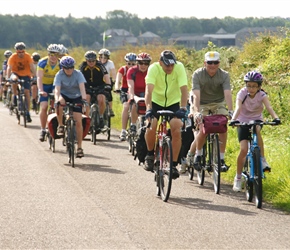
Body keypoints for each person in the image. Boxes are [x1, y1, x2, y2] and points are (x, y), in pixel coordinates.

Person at [230, 71, 281, 192]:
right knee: (243, 149)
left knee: (257, 130)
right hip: (242, 121)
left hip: (256, 119)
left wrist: (276, 117)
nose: (251, 89)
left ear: (259, 86)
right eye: (249, 85)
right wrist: (234, 120)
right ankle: (238, 178)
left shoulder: (262, 95)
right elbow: (238, 107)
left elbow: (269, 107)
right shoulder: (242, 93)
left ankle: (262, 159)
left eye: (254, 86)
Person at [144, 50, 188, 179]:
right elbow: (149, 90)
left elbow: (184, 89)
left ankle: (173, 164)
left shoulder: (179, 67)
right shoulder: (153, 68)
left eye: (172, 65)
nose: (170, 68)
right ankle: (149, 155)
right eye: (167, 65)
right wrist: (148, 108)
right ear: (160, 63)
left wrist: (183, 108)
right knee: (152, 125)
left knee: (176, 128)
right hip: (155, 102)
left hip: (173, 102)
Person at [190, 51, 233, 172]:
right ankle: (198, 155)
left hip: (218, 103)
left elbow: (227, 94)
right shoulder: (198, 74)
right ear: (205, 63)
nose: (212, 65)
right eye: (209, 62)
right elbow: (196, 95)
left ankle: (221, 158)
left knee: (223, 125)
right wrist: (197, 111)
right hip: (202, 103)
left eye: (215, 62)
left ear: (219, 63)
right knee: (203, 127)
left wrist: (230, 111)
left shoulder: (224, 75)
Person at [54, 56, 87, 158]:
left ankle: (80, 147)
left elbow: (82, 88)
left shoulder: (78, 74)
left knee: (78, 121)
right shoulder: (59, 74)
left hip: (76, 97)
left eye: (71, 67)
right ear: (62, 68)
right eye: (66, 68)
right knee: (59, 105)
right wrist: (58, 98)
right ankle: (61, 125)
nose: (69, 70)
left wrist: (84, 100)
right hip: (64, 96)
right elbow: (57, 89)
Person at [79, 50, 111, 128]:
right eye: (89, 61)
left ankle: (100, 117)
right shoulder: (83, 66)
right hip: (87, 86)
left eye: (93, 61)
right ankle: (86, 119)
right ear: (86, 60)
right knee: (86, 98)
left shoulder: (100, 65)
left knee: (101, 99)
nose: (91, 63)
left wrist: (108, 85)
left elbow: (106, 76)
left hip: (99, 85)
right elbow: (78, 77)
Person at [37, 44, 62, 141]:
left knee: (58, 104)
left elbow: (62, 79)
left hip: (54, 85)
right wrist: (41, 90)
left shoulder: (60, 64)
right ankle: (43, 129)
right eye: (51, 54)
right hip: (44, 85)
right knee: (43, 107)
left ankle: (60, 125)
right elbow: (39, 77)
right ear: (48, 54)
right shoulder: (42, 63)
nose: (53, 57)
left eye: (56, 55)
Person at [7, 42, 36, 122]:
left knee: (27, 92)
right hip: (15, 73)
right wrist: (8, 77)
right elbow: (9, 67)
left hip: (26, 75)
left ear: (24, 50)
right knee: (14, 79)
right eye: (19, 52)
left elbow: (32, 66)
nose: (21, 54)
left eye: (22, 51)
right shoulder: (13, 57)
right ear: (16, 51)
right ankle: (15, 95)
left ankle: (27, 112)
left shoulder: (27, 56)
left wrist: (35, 76)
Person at [127, 52, 151, 134]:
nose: (143, 65)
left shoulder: (151, 71)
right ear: (137, 63)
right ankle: (133, 124)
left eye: (146, 63)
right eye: (141, 63)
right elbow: (130, 86)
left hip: (147, 93)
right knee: (134, 104)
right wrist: (132, 97)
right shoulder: (132, 71)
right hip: (135, 92)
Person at [115, 52, 137, 141]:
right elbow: (117, 80)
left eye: (133, 64)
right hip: (124, 90)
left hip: (135, 91)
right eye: (129, 63)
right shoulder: (123, 69)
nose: (131, 66)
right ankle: (123, 130)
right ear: (126, 63)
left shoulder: (137, 70)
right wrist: (117, 88)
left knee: (137, 108)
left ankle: (135, 125)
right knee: (126, 106)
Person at [98, 48, 116, 117]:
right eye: (101, 57)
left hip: (107, 79)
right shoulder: (96, 62)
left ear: (108, 58)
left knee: (109, 93)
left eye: (105, 57)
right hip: (98, 80)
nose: (103, 59)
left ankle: (110, 109)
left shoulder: (110, 63)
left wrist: (115, 80)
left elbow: (113, 72)